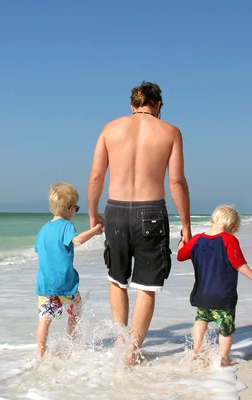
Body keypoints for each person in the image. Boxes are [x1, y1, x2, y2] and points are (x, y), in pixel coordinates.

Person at [87, 81, 192, 364]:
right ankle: (133, 350)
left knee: (117, 280)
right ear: (158, 105)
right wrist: (186, 225)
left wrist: (93, 212)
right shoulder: (170, 132)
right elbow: (176, 182)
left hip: (116, 212)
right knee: (146, 286)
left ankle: (122, 341)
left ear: (132, 106)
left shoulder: (110, 128)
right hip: (152, 213)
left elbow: (97, 175)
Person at [177, 204, 252, 366]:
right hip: (223, 295)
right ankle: (224, 359)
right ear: (233, 228)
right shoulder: (229, 239)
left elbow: (181, 256)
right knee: (226, 328)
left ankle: (197, 348)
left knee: (201, 319)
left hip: (202, 293)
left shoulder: (197, 239)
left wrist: (182, 244)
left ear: (212, 221)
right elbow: (238, 263)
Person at [35, 182, 104, 358]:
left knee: (44, 320)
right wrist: (95, 230)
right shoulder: (66, 226)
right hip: (66, 283)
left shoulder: (42, 231)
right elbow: (78, 241)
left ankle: (40, 354)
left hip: (46, 284)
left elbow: (39, 251)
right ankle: (74, 347)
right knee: (74, 313)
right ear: (70, 208)